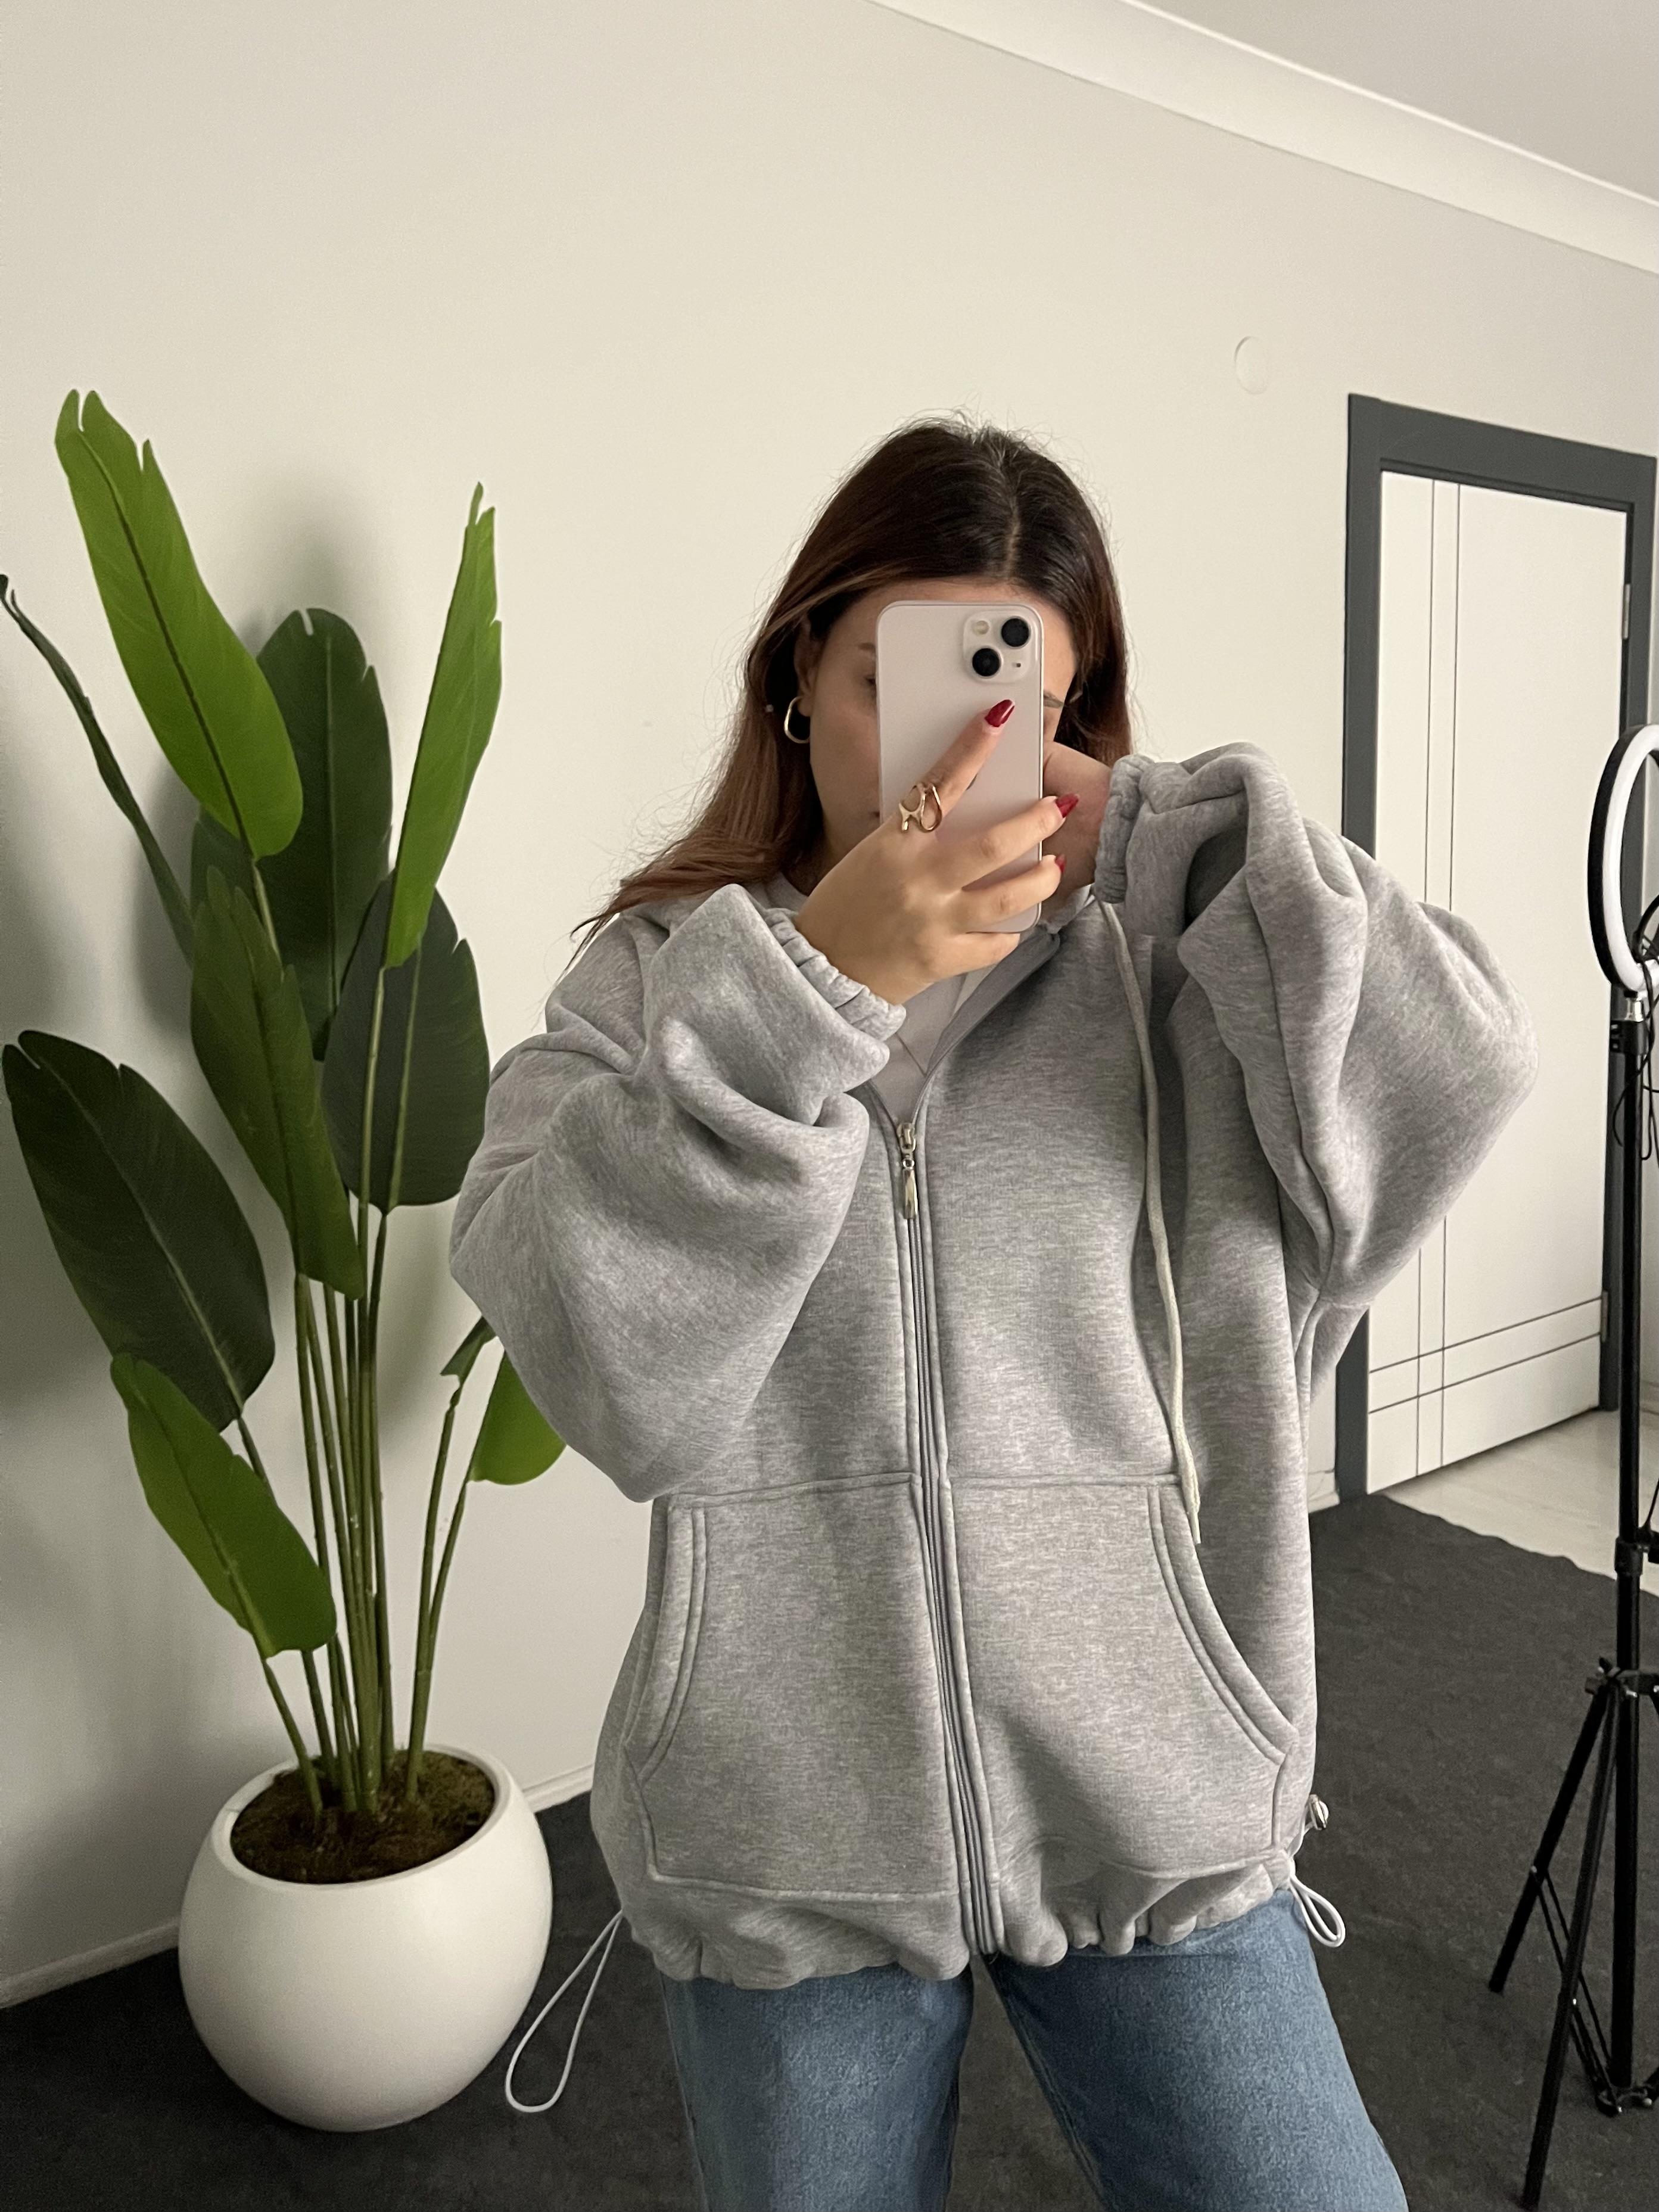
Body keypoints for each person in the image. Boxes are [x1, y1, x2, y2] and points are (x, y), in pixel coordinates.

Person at [450, 416, 1538, 2210]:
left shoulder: (1169, 974)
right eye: (901, 680)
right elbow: (609, 1371)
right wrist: (815, 990)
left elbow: (1454, 1081)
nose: (956, 748)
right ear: (800, 672)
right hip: (791, 1842)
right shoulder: (659, 988)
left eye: (1016, 692)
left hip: (1154, 1802)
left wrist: (1185, 843)